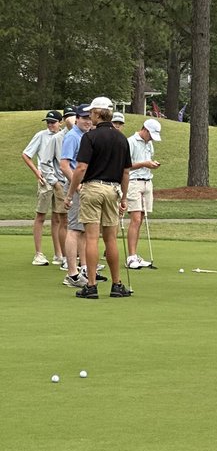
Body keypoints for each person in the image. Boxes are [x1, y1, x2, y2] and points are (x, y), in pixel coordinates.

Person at [64, 96, 132, 299]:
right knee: (110, 238)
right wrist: (124, 198)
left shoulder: (90, 137)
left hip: (93, 189)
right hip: (113, 190)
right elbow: (126, 172)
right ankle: (116, 285)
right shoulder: (121, 138)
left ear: (96, 113)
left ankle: (91, 286)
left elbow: (81, 168)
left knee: (92, 237)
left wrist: (70, 194)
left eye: (91, 113)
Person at [21, 111, 66, 266]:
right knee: (41, 215)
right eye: (48, 122)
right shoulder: (41, 135)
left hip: (61, 180)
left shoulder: (64, 136)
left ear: (61, 122)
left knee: (58, 217)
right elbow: (26, 154)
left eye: (53, 122)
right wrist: (37, 172)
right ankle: (38, 254)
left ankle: (58, 254)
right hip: (45, 180)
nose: (50, 124)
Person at [60, 104, 93, 287]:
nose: (87, 121)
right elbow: (64, 165)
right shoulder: (72, 136)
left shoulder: (85, 136)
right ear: (77, 118)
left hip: (84, 185)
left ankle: (84, 269)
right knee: (74, 229)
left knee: (82, 229)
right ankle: (72, 274)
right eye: (84, 118)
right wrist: (77, 185)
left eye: (90, 118)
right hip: (75, 185)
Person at [126, 118, 162, 268]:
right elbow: (125, 166)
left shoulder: (149, 144)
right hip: (133, 182)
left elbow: (147, 160)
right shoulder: (130, 142)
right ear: (145, 130)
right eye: (151, 135)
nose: (151, 139)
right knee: (135, 219)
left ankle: (135, 255)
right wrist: (144, 164)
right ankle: (131, 257)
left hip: (147, 181)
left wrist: (151, 164)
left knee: (140, 219)